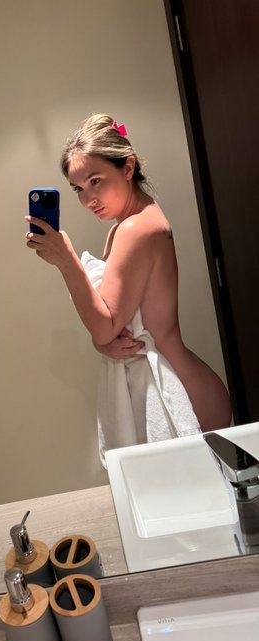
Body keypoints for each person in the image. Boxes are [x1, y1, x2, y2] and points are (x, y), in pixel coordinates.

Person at [25, 113, 232, 465]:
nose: (88, 198)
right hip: (176, 382)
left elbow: (105, 325)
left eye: (95, 181)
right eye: (79, 189)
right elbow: (115, 318)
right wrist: (103, 343)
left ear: (128, 167)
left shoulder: (136, 229)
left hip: (179, 393)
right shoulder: (129, 224)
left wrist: (66, 259)